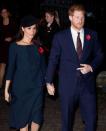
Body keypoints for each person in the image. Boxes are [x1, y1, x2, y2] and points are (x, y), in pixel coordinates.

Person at [45, 3, 103, 131]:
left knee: (91, 120)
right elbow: (53, 60)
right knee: (67, 122)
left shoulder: (92, 35)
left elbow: (100, 55)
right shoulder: (60, 37)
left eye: (82, 17)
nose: (80, 20)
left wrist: (91, 67)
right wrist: (49, 81)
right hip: (67, 85)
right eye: (77, 17)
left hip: (87, 85)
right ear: (70, 17)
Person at [4, 15, 46, 131]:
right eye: (29, 28)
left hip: (37, 87)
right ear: (22, 29)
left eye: (34, 28)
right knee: (23, 120)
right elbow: (11, 68)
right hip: (21, 89)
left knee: (36, 118)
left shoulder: (38, 46)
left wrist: (48, 83)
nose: (32, 31)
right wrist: (6, 90)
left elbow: (44, 67)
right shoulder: (14, 46)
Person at [0, 6, 17, 96]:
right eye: (2, 12)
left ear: (8, 13)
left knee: (11, 66)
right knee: (2, 66)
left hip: (11, 46)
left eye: (5, 11)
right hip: (2, 46)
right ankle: (0, 85)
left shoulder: (13, 22)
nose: (4, 13)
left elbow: (17, 34)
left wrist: (12, 38)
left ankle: (11, 85)